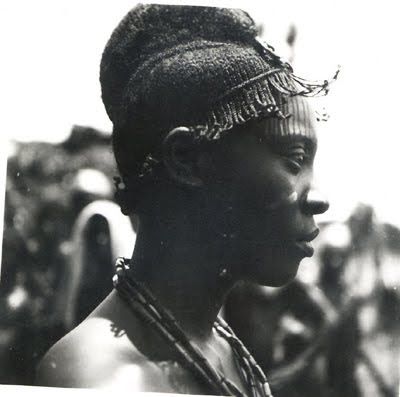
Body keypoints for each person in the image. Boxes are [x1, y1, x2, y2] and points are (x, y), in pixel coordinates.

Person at [36, 4, 333, 395]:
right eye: (294, 160)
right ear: (187, 160)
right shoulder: (107, 381)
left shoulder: (225, 351)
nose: (321, 199)